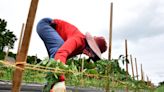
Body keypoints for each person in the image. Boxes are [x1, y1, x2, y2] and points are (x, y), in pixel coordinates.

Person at [36, 18, 107, 92]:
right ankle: (56, 85)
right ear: (89, 44)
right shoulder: (78, 39)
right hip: (47, 25)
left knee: (54, 61)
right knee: (59, 50)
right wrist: (61, 80)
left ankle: (50, 87)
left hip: (51, 30)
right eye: (91, 51)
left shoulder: (81, 49)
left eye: (92, 55)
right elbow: (61, 53)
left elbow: (59, 60)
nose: (89, 55)